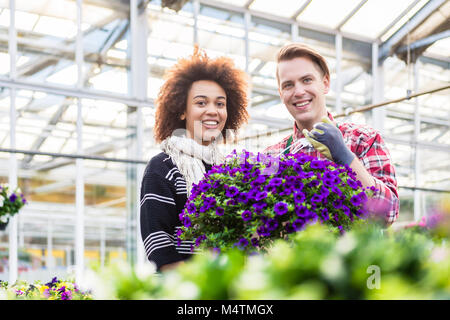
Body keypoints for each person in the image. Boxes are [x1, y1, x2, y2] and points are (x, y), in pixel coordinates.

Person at [264, 43, 399, 225]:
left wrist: (345, 156)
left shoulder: (363, 139)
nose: (299, 92)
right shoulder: (272, 155)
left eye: (307, 80)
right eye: (288, 85)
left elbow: (387, 214)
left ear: (325, 83)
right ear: (281, 93)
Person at [140, 47, 249, 272]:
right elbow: (159, 248)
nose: (213, 111)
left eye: (220, 104)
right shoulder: (163, 167)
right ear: (182, 110)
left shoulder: (231, 171)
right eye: (201, 103)